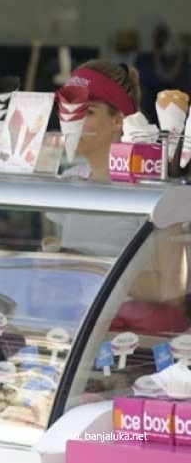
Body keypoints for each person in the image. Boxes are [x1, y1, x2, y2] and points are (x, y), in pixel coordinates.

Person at [53, 59, 187, 328]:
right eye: (67, 109)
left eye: (87, 111)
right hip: (82, 331)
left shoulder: (148, 188)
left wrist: (90, 268)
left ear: (118, 120)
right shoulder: (69, 183)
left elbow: (171, 288)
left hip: (137, 339)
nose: (72, 120)